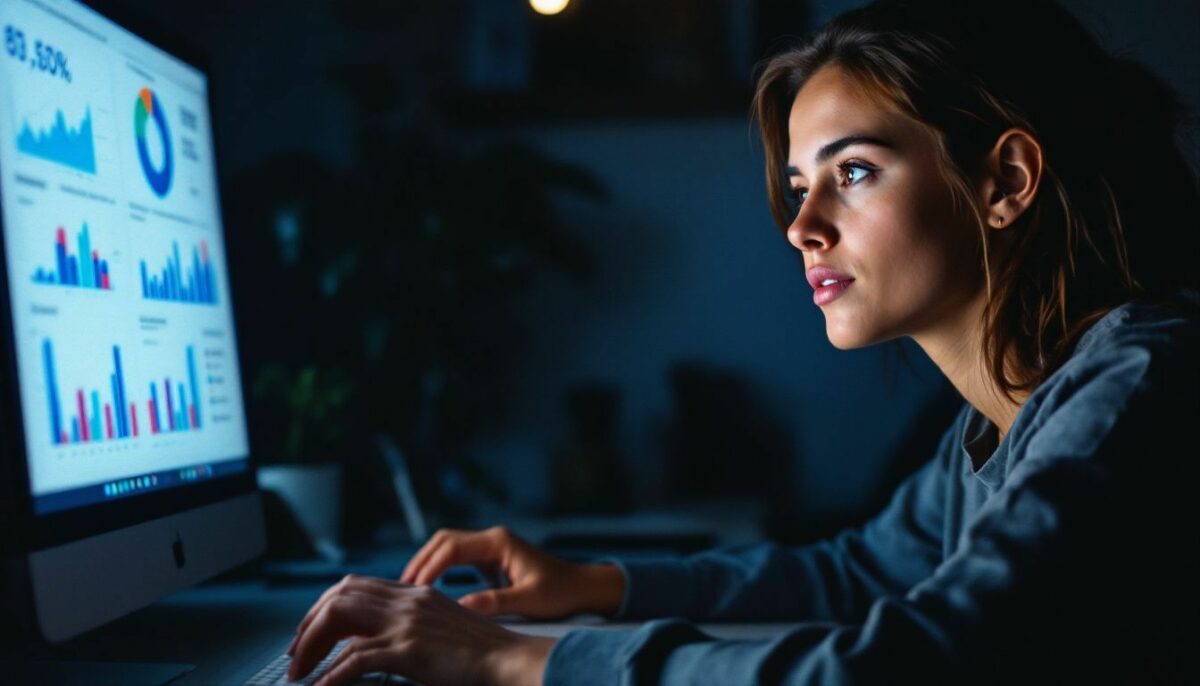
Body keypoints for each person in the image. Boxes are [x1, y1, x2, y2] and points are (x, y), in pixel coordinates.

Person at [285, 0, 1200, 683]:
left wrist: (514, 661)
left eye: (853, 171)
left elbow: (916, 665)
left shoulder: (1137, 386)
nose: (801, 224)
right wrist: (595, 584)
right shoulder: (999, 418)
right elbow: (858, 575)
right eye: (800, 183)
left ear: (1004, 179)